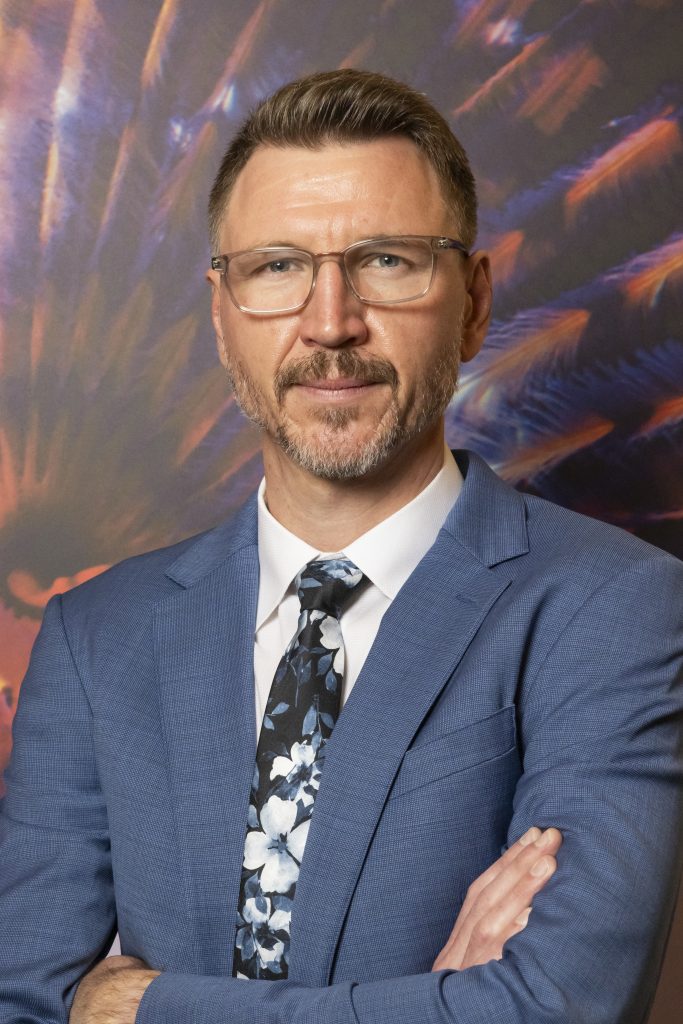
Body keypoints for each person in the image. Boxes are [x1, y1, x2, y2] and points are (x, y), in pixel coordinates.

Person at [1, 69, 681, 1024]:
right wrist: (439, 1002)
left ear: (475, 300)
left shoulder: (614, 608)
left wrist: (136, 1009)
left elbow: (552, 1007)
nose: (331, 323)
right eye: (276, 266)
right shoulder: (94, 638)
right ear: (221, 312)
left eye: (389, 261)